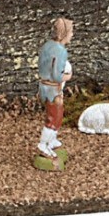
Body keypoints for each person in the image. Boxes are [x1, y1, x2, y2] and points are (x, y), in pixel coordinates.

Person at [37, 17, 73, 159]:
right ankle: (43, 144)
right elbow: (57, 75)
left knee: (55, 114)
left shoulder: (47, 46)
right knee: (54, 117)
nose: (72, 35)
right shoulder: (60, 51)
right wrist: (68, 76)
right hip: (52, 88)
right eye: (70, 32)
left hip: (44, 85)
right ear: (64, 33)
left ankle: (51, 140)